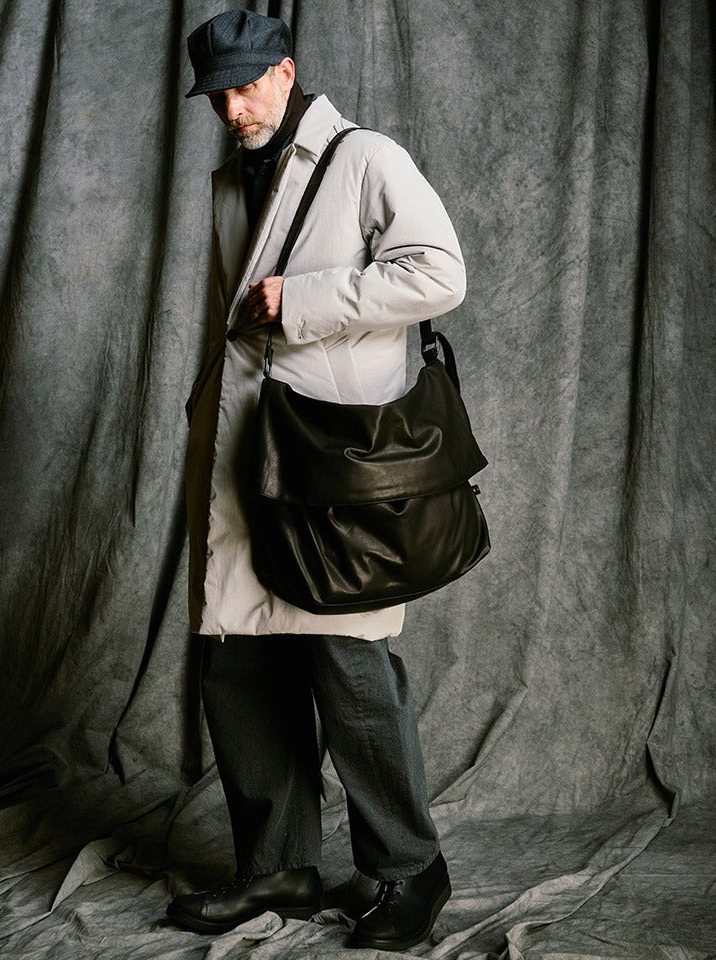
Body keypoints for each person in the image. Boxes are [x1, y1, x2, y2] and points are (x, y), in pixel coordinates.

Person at [166, 10, 466, 952]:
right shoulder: (230, 178)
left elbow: (439, 273)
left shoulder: (364, 156)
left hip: (334, 460)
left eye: (247, 86)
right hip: (244, 448)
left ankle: (410, 869)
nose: (232, 109)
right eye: (217, 95)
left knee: (350, 666)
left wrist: (304, 302)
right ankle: (278, 869)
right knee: (238, 663)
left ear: (286, 72)